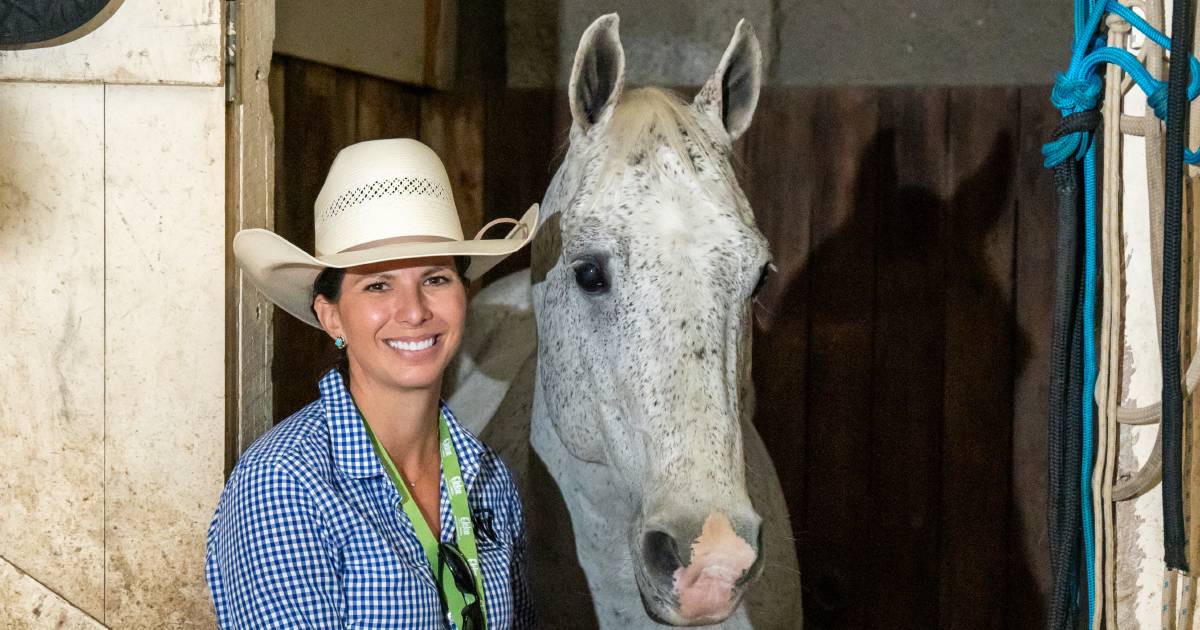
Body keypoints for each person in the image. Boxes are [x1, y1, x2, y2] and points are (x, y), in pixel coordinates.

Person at [205, 138, 539, 629]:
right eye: (378, 285)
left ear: (464, 296)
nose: (415, 311)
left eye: (436, 279)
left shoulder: (489, 478)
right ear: (332, 315)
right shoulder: (286, 484)